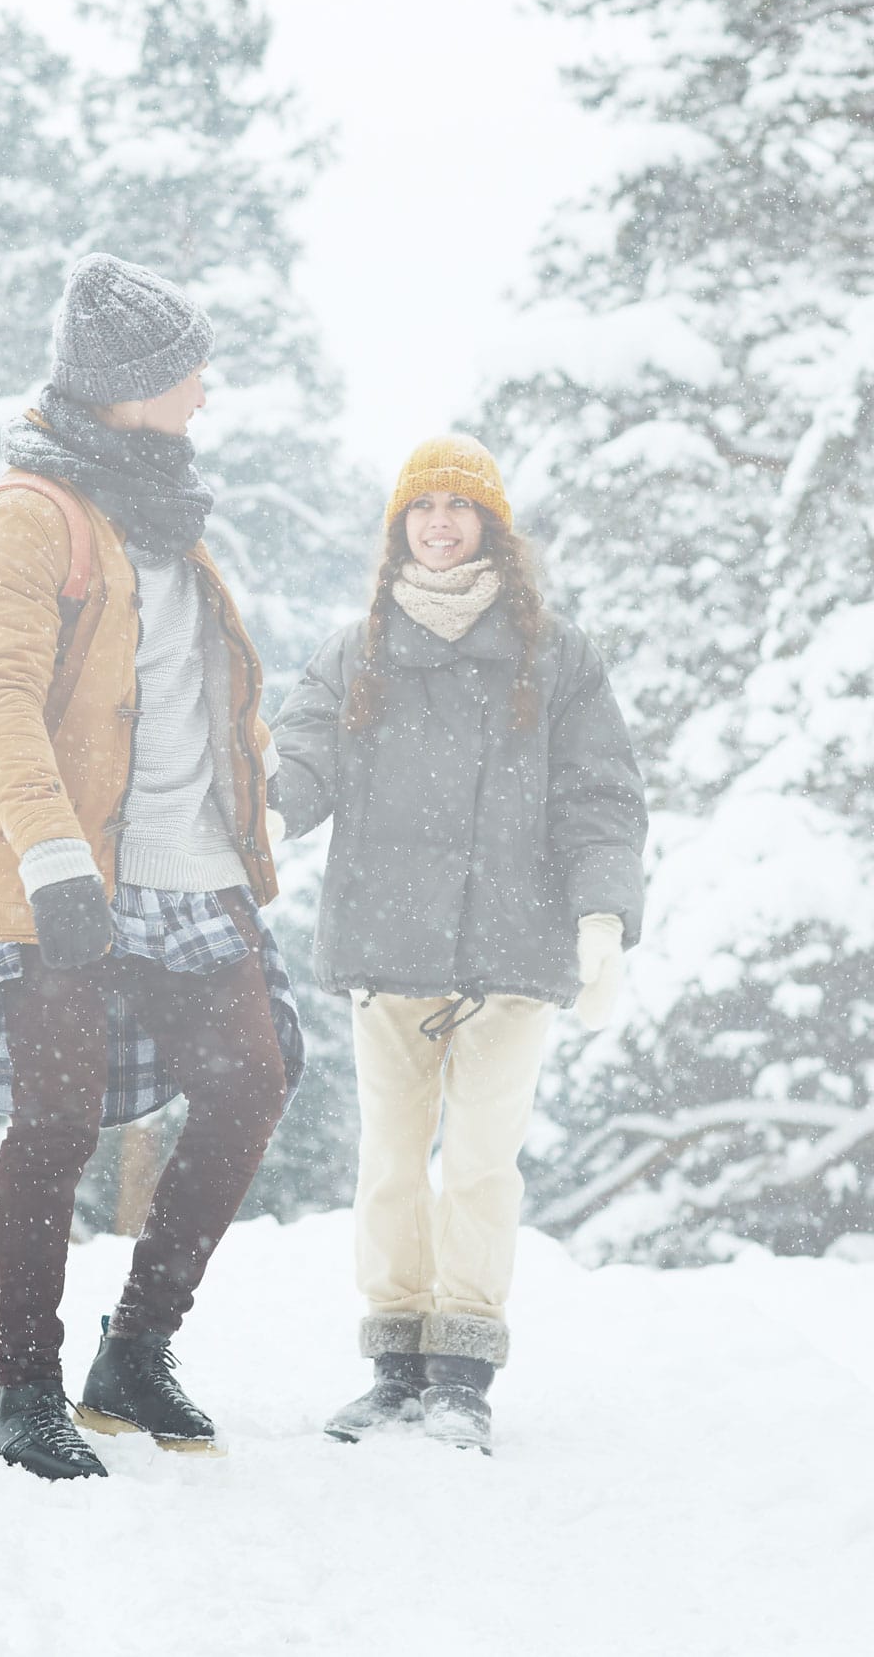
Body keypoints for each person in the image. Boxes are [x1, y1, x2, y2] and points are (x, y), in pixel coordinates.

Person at [0, 253, 304, 1481]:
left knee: (250, 1079)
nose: (205, 387)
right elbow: (2, 705)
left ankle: (134, 1349)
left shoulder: (168, 518)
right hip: (62, 875)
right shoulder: (27, 516)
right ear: (131, 384)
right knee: (55, 1122)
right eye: (189, 368)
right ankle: (24, 1385)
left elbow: (198, 705)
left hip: (193, 878)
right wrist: (50, 863)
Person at [270, 434, 647, 1453]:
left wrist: (601, 919)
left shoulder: (554, 655)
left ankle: (461, 1380)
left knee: (479, 1166)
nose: (438, 523)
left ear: (491, 527)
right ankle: (392, 1368)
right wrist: (269, 815)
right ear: (398, 529)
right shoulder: (356, 652)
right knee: (390, 1163)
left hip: (510, 958)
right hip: (387, 949)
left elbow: (598, 797)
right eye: (420, 507)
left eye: (458, 506)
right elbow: (302, 750)